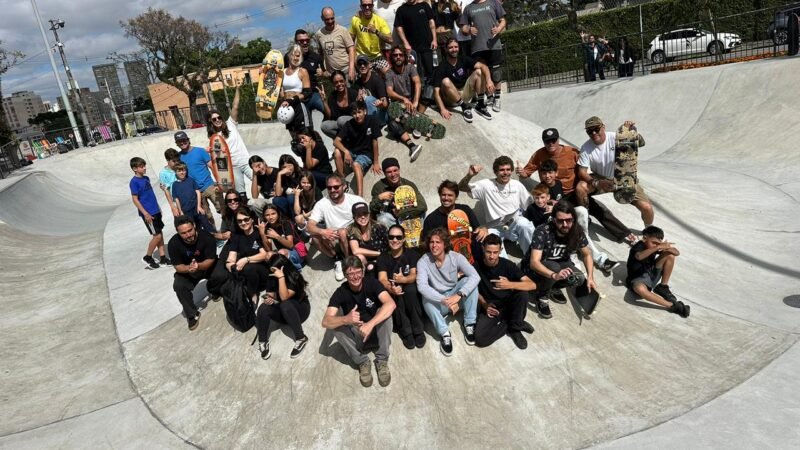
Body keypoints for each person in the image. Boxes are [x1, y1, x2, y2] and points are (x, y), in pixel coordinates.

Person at [518, 128, 634, 271]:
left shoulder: (572, 152)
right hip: (558, 200)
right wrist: (522, 173)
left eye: (553, 140)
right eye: (547, 142)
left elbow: (583, 168)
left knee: (598, 209)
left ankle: (625, 233)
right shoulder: (539, 155)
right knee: (576, 224)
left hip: (574, 192)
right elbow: (526, 172)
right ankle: (595, 255)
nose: (550, 144)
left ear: (558, 139)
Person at [322, 256, 396, 387]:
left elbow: (391, 304)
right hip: (358, 336)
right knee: (335, 326)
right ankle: (362, 361)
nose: (355, 277)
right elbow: (325, 322)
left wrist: (370, 324)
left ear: (362, 272)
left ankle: (382, 360)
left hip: (376, 331)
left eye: (357, 272)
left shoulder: (372, 283)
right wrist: (345, 319)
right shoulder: (340, 292)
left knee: (386, 314)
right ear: (345, 275)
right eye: (350, 273)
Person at [523, 200, 596, 320]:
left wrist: (590, 277)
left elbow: (587, 254)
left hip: (561, 263)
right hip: (535, 269)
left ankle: (553, 287)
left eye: (569, 220)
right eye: (560, 221)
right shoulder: (543, 231)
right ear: (553, 219)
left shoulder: (576, 231)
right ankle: (542, 295)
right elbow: (534, 263)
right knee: (554, 267)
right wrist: (554, 275)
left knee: (579, 278)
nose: (565, 224)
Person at [577, 116, 654, 228]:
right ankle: (584, 218)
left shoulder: (616, 137)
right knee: (581, 188)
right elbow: (582, 172)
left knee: (647, 208)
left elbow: (641, 143)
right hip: (601, 178)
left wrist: (632, 133)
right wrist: (597, 183)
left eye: (596, 129)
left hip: (624, 176)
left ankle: (649, 230)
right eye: (589, 131)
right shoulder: (586, 147)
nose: (593, 133)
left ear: (603, 127)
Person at [416, 227, 480, 356]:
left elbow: (475, 276)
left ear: (445, 244)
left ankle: (469, 324)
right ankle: (445, 333)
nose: (434, 245)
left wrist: (458, 295)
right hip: (441, 302)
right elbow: (422, 286)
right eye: (432, 242)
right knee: (426, 298)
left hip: (457, 297)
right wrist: (444, 300)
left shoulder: (456, 257)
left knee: (469, 281)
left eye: (438, 242)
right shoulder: (423, 261)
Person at [458, 156, 534, 257]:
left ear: (511, 170)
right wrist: (469, 175)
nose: (505, 173)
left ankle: (532, 258)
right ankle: (504, 268)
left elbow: (530, 206)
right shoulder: (486, 185)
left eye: (508, 169)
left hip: (513, 225)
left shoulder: (517, 185)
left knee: (524, 224)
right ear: (495, 172)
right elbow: (461, 187)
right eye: (501, 170)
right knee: (486, 239)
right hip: (494, 228)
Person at [474, 234, 535, 349]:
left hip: (509, 303)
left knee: (523, 293)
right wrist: (484, 304)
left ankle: (515, 329)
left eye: (495, 252)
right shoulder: (476, 266)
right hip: (491, 307)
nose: (492, 256)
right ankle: (513, 322)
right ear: (483, 248)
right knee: (480, 339)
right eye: (488, 252)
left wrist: (510, 284)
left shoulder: (507, 265)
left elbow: (532, 285)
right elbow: (473, 290)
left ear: (500, 250)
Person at [307, 174, 367, 281]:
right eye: (329, 188)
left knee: (342, 232)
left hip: (353, 234)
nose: (332, 190)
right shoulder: (322, 204)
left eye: (336, 187)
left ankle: (349, 261)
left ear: (343, 186)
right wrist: (322, 231)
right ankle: (337, 259)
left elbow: (368, 217)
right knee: (315, 236)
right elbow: (309, 226)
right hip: (334, 237)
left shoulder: (355, 200)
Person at [376, 224, 425, 349]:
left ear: (403, 239)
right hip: (393, 288)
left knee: (410, 290)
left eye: (398, 237)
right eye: (391, 237)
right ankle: (406, 331)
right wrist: (391, 288)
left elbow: (414, 274)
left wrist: (404, 279)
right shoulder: (383, 257)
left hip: (409, 287)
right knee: (394, 295)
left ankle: (418, 329)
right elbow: (382, 279)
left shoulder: (411, 254)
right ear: (387, 239)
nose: (395, 240)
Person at [256, 253, 312, 360]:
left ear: (282, 268)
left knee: (285, 304)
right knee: (263, 308)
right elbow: (271, 294)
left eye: (274, 269)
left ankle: (301, 338)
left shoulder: (294, 276)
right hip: (283, 313)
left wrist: (281, 277)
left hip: (300, 311)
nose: (272, 272)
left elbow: (284, 297)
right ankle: (263, 341)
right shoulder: (272, 277)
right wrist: (268, 299)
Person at [626, 226, 690, 317]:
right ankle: (672, 306)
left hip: (651, 274)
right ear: (644, 238)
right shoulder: (639, 246)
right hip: (638, 279)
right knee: (639, 289)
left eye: (658, 243)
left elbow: (677, 253)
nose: (656, 245)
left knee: (670, 255)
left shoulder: (655, 246)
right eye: (653, 243)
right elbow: (639, 256)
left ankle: (663, 286)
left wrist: (667, 248)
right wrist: (658, 247)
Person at [168, 215, 218, 330]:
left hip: (205, 266)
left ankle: (215, 289)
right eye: (183, 233)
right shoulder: (173, 244)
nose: (188, 235)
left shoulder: (206, 236)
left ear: (194, 226)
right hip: (188, 271)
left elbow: (211, 259)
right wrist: (188, 268)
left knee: (221, 272)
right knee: (179, 285)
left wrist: (198, 266)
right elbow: (178, 267)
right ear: (178, 232)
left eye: (190, 230)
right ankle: (192, 314)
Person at [421, 179, 487, 260]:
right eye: (443, 195)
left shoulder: (465, 210)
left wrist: (483, 229)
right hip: (446, 257)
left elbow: (477, 229)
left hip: (469, 253)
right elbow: (427, 244)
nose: (446, 198)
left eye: (450, 195)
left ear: (456, 197)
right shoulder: (431, 219)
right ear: (439, 195)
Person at [458, 0, 506, 112]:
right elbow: (463, 28)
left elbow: (503, 21)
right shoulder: (468, 8)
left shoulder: (494, 3)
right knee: (482, 73)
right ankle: (488, 97)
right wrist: (469, 29)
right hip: (477, 47)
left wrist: (499, 29)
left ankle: (497, 98)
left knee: (496, 73)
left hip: (494, 45)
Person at [433, 38, 494, 122]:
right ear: (446, 49)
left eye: (456, 47)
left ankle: (480, 105)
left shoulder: (463, 59)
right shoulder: (442, 66)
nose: (454, 49)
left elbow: (483, 66)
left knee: (479, 71)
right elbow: (436, 91)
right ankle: (464, 107)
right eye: (451, 47)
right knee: (445, 81)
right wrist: (442, 109)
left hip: (465, 93)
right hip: (451, 99)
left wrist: (489, 80)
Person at [206, 85, 253, 193]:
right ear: (211, 122)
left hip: (246, 162)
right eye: (214, 119)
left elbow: (235, 106)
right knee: (240, 193)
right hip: (233, 167)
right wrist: (211, 151)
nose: (218, 120)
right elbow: (218, 156)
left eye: (219, 117)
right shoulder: (214, 137)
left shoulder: (230, 124)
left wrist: (237, 89)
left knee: (260, 182)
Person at [333, 100, 382, 197]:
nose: (357, 116)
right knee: (337, 152)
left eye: (359, 112)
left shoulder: (372, 120)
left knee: (356, 164)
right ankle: (343, 181)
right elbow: (336, 141)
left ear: (365, 111)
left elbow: (375, 142)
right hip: (353, 153)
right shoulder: (349, 124)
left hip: (366, 154)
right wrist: (346, 151)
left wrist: (376, 162)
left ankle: (360, 196)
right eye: (354, 113)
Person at [384, 46, 425, 159]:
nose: (398, 57)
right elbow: (389, 91)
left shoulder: (410, 67)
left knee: (428, 91)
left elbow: (417, 82)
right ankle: (412, 146)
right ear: (392, 57)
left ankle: (418, 117)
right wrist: (403, 99)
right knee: (391, 124)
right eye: (395, 55)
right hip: (401, 105)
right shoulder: (389, 73)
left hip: (413, 100)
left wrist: (415, 102)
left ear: (404, 56)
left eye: (400, 55)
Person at [224, 207, 270, 307]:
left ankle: (253, 295)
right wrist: (230, 265)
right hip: (250, 275)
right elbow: (231, 256)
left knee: (248, 267)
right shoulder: (237, 236)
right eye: (240, 221)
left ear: (252, 219)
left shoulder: (258, 233)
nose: (243, 223)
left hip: (264, 271)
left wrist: (246, 259)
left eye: (246, 219)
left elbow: (264, 254)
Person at [129, 157, 170, 270]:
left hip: (155, 210)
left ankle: (162, 258)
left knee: (160, 234)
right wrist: (145, 213)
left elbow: (151, 195)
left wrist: (158, 207)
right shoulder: (134, 182)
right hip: (148, 214)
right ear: (135, 169)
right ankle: (147, 257)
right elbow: (135, 199)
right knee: (156, 236)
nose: (145, 168)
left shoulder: (146, 178)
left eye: (144, 165)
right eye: (142, 167)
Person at [176, 131, 222, 226]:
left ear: (188, 140)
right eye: (179, 141)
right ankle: (216, 237)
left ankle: (231, 230)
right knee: (206, 216)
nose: (182, 143)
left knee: (222, 209)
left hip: (210, 186)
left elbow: (212, 167)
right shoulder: (179, 157)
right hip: (197, 192)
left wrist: (219, 181)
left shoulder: (200, 151)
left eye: (184, 140)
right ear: (177, 143)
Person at [369, 157, 428, 229]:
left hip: (407, 216)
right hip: (391, 220)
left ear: (399, 170)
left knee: (422, 214)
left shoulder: (408, 185)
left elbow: (423, 205)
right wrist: (380, 198)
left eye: (395, 170)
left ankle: (417, 238)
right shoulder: (378, 187)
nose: (393, 174)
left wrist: (401, 212)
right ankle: (391, 239)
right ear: (384, 174)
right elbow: (372, 208)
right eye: (389, 172)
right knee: (383, 219)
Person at [395, 0, 437, 81]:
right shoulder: (401, 10)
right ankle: (419, 92)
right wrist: (405, 43)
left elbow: (432, 23)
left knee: (431, 72)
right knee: (416, 74)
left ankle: (430, 92)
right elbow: (398, 28)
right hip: (412, 49)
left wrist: (434, 39)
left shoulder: (424, 5)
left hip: (428, 46)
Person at [171, 162, 216, 234]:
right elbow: (176, 199)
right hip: (186, 211)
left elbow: (198, 192)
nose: (182, 173)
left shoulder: (190, 180)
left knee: (206, 224)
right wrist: (181, 211)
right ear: (175, 172)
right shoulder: (175, 185)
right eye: (179, 171)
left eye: (183, 170)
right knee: (194, 228)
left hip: (196, 208)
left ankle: (216, 238)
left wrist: (199, 206)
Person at [349, 0, 392, 73]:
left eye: (369, 5)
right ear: (360, 7)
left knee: (388, 73)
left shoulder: (379, 20)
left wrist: (376, 32)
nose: (367, 7)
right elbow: (350, 41)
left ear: (373, 6)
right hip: (362, 56)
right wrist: (354, 57)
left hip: (377, 56)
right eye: (364, 5)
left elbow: (390, 40)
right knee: (366, 78)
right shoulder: (355, 19)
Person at [316, 7, 357, 81]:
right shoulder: (319, 34)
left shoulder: (342, 30)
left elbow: (351, 49)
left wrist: (351, 68)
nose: (330, 21)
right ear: (322, 18)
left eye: (332, 18)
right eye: (327, 19)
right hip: (332, 74)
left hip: (346, 70)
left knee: (351, 92)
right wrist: (323, 70)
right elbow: (320, 53)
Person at [258, 204, 304, 270]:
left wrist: (276, 236)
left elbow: (290, 245)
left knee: (281, 252)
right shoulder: (267, 227)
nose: (270, 217)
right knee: (269, 255)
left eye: (273, 214)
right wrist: (262, 234)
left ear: (278, 214)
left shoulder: (285, 223)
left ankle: (296, 268)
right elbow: (269, 249)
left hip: (297, 251)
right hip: (284, 254)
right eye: (267, 215)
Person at [347, 201, 389, 271]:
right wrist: (379, 253)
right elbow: (355, 251)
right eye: (359, 215)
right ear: (354, 217)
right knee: (359, 257)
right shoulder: (352, 230)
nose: (363, 217)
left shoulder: (379, 227)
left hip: (384, 258)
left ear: (369, 215)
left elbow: (389, 244)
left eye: (365, 214)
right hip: (367, 262)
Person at [291, 29, 325, 115]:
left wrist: (322, 73)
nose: (305, 43)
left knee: (328, 111)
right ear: (296, 42)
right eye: (302, 41)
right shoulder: (290, 58)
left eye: (307, 40)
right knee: (303, 122)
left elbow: (326, 74)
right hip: (298, 95)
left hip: (314, 93)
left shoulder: (316, 57)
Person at [321, 70, 359, 139]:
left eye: (341, 81)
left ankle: (354, 138)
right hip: (340, 126)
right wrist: (324, 101)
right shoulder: (332, 96)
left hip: (354, 123)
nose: (339, 84)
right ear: (333, 84)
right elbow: (330, 116)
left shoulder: (353, 93)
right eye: (336, 82)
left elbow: (358, 114)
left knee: (341, 120)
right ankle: (343, 141)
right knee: (324, 126)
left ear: (345, 81)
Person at [353, 55, 390, 123]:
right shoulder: (357, 83)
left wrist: (380, 104)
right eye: (360, 64)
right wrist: (358, 100)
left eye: (365, 63)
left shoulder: (377, 80)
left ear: (370, 65)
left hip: (381, 115)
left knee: (368, 99)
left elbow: (385, 103)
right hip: (366, 114)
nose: (362, 66)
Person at [279, 44, 312, 115]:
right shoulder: (282, 72)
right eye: (293, 55)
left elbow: (307, 93)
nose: (295, 58)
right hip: (286, 109)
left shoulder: (302, 71)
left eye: (298, 56)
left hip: (299, 107)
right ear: (288, 55)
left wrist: (291, 100)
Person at [294, 169, 323, 237]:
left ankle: (314, 234)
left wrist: (307, 214)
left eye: (308, 182)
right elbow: (297, 212)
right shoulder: (299, 193)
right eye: (303, 183)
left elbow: (320, 207)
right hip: (307, 219)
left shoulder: (316, 190)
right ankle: (310, 235)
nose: (306, 185)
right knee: (298, 218)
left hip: (318, 217)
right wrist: (296, 196)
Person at [158, 148, 180, 216]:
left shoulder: (180, 167)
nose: (176, 163)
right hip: (177, 202)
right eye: (174, 161)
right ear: (167, 160)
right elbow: (166, 191)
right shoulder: (163, 173)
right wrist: (173, 207)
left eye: (177, 160)